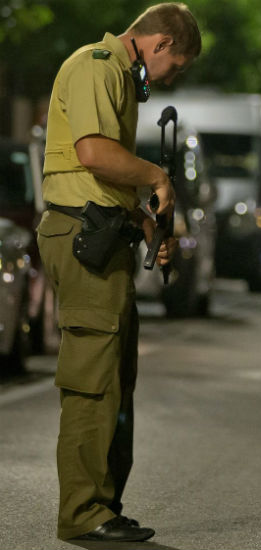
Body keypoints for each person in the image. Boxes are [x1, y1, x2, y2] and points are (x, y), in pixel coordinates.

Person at [36, 3, 200, 542]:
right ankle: (83, 514)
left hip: (104, 235)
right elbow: (93, 154)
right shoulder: (97, 64)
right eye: (174, 65)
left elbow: (108, 179)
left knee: (113, 381)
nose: (172, 76)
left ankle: (103, 506)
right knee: (92, 380)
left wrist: (149, 226)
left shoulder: (119, 80)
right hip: (82, 237)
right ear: (156, 44)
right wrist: (157, 176)